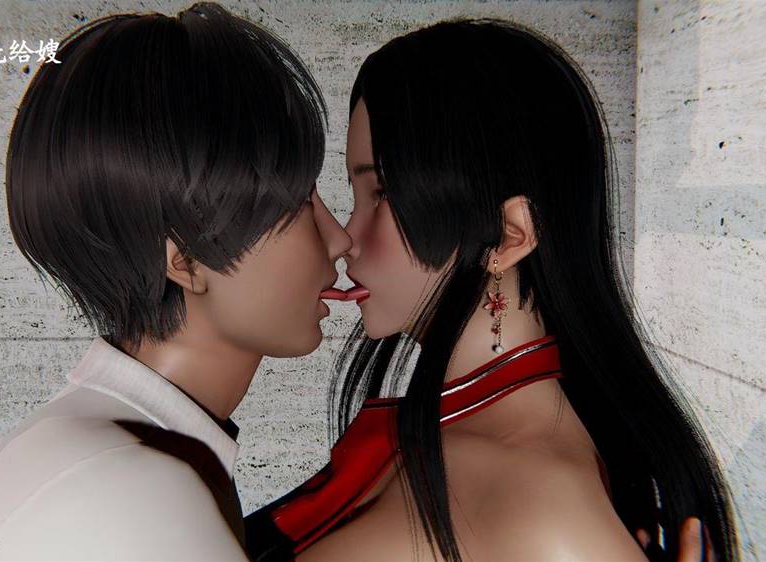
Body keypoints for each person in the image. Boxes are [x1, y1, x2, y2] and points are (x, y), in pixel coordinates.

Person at [246, 17, 737, 562]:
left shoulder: (551, 514)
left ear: (509, 234)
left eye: (380, 194)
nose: (344, 237)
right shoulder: (462, 441)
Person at [0, 4, 351, 560]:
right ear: (187, 261)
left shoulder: (115, 457)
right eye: (299, 206)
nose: (340, 238)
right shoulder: (128, 490)